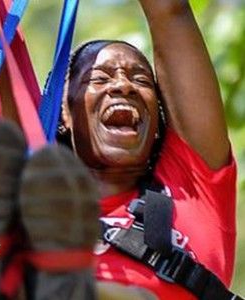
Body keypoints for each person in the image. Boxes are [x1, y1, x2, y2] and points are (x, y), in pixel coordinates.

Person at [56, 0, 238, 299]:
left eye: (141, 80)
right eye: (99, 78)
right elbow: (1, 47)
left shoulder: (192, 189)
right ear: (64, 112)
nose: (123, 86)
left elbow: (170, 11)